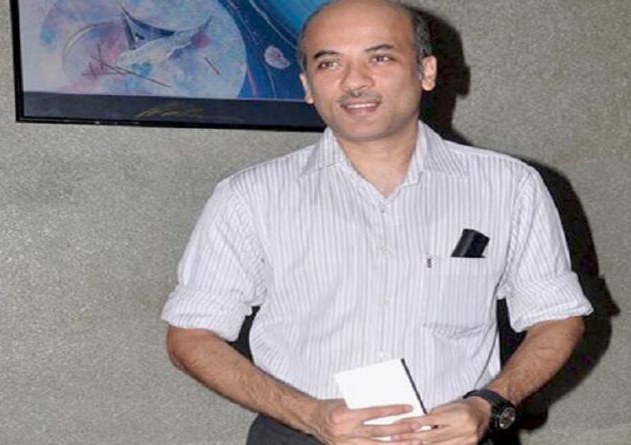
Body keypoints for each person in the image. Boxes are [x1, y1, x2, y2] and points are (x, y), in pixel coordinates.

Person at [161, 0, 593, 444]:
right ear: (307, 85)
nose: (354, 82)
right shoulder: (249, 197)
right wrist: (309, 414)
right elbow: (190, 336)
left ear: (426, 72)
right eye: (329, 63)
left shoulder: (509, 186)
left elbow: (557, 318)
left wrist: (491, 403)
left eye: (381, 58)